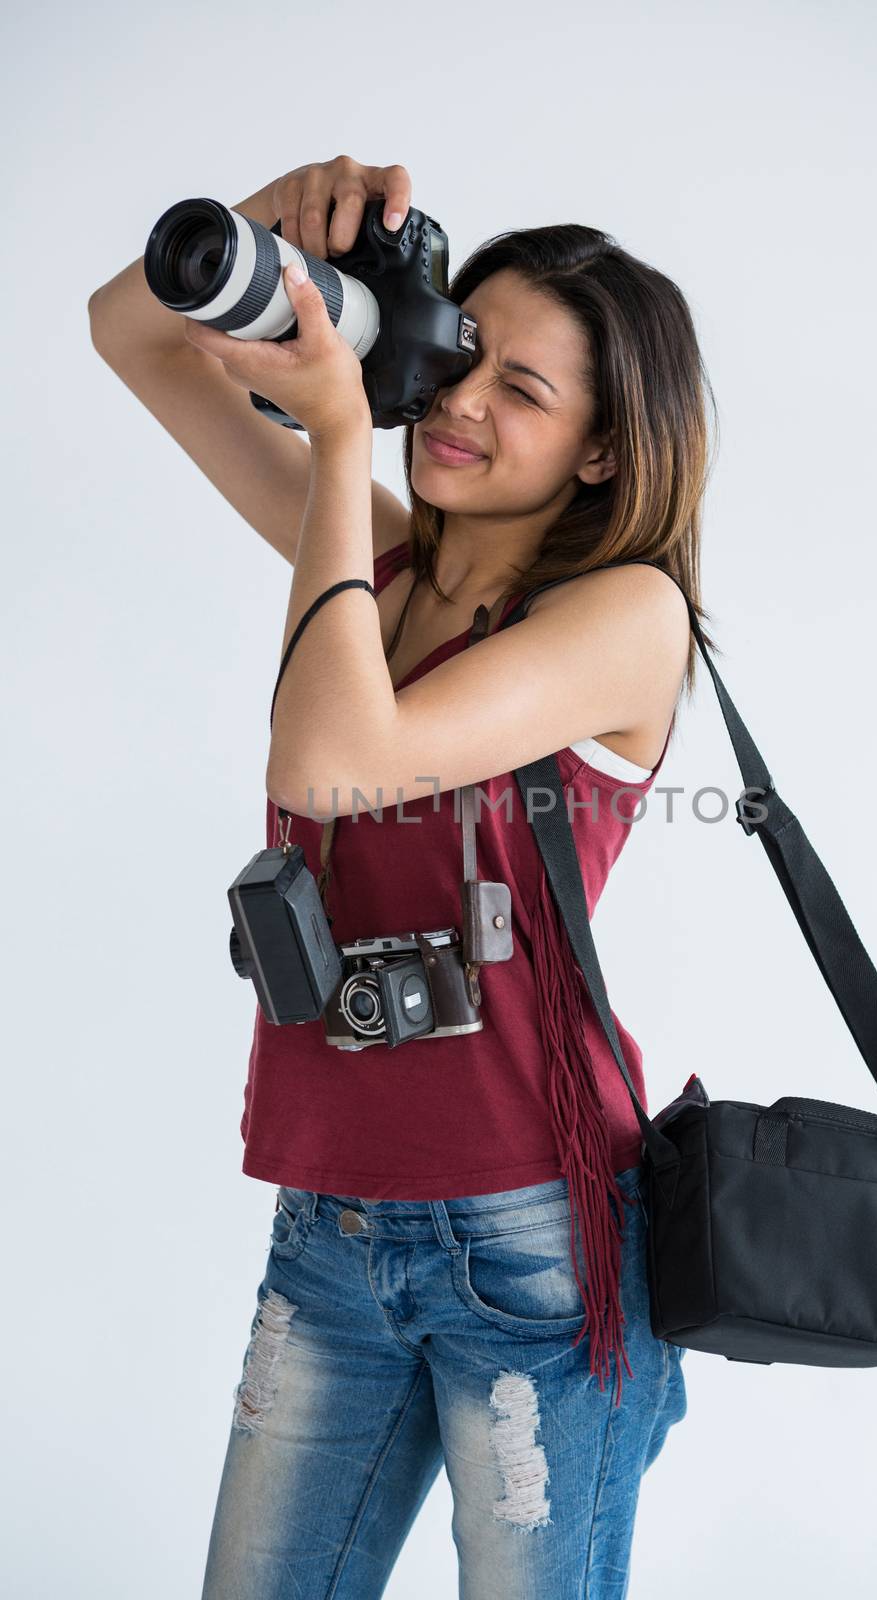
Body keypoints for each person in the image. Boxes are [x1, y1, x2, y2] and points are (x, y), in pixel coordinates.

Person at [89, 155, 718, 1600]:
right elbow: (127, 331)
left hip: (539, 1243)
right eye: (460, 354)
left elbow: (333, 760)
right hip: (332, 1220)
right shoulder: (385, 565)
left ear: (606, 454)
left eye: (525, 394)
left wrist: (327, 446)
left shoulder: (628, 615)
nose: (461, 405)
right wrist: (277, 224)